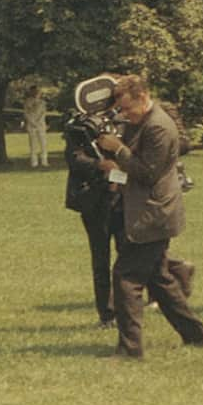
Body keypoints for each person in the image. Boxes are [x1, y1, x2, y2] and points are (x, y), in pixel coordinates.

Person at [96, 75, 203, 358]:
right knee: (160, 282)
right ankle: (197, 337)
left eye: (127, 108)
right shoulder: (142, 122)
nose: (125, 114)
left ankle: (130, 349)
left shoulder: (159, 127)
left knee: (125, 278)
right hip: (149, 211)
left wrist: (118, 150)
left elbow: (148, 173)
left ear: (143, 96)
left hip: (154, 213)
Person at [64, 114, 121, 328]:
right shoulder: (78, 125)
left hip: (125, 198)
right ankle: (107, 314)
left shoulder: (128, 118)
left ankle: (128, 307)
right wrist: (101, 165)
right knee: (101, 259)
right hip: (95, 200)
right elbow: (74, 158)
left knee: (130, 256)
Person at [25, 86, 49, 168]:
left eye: (37, 92)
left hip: (41, 125)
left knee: (43, 144)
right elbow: (26, 113)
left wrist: (39, 121)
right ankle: (34, 162)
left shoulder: (42, 102)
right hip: (32, 125)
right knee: (33, 144)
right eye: (34, 91)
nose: (36, 93)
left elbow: (43, 113)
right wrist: (32, 122)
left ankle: (44, 161)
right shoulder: (28, 102)